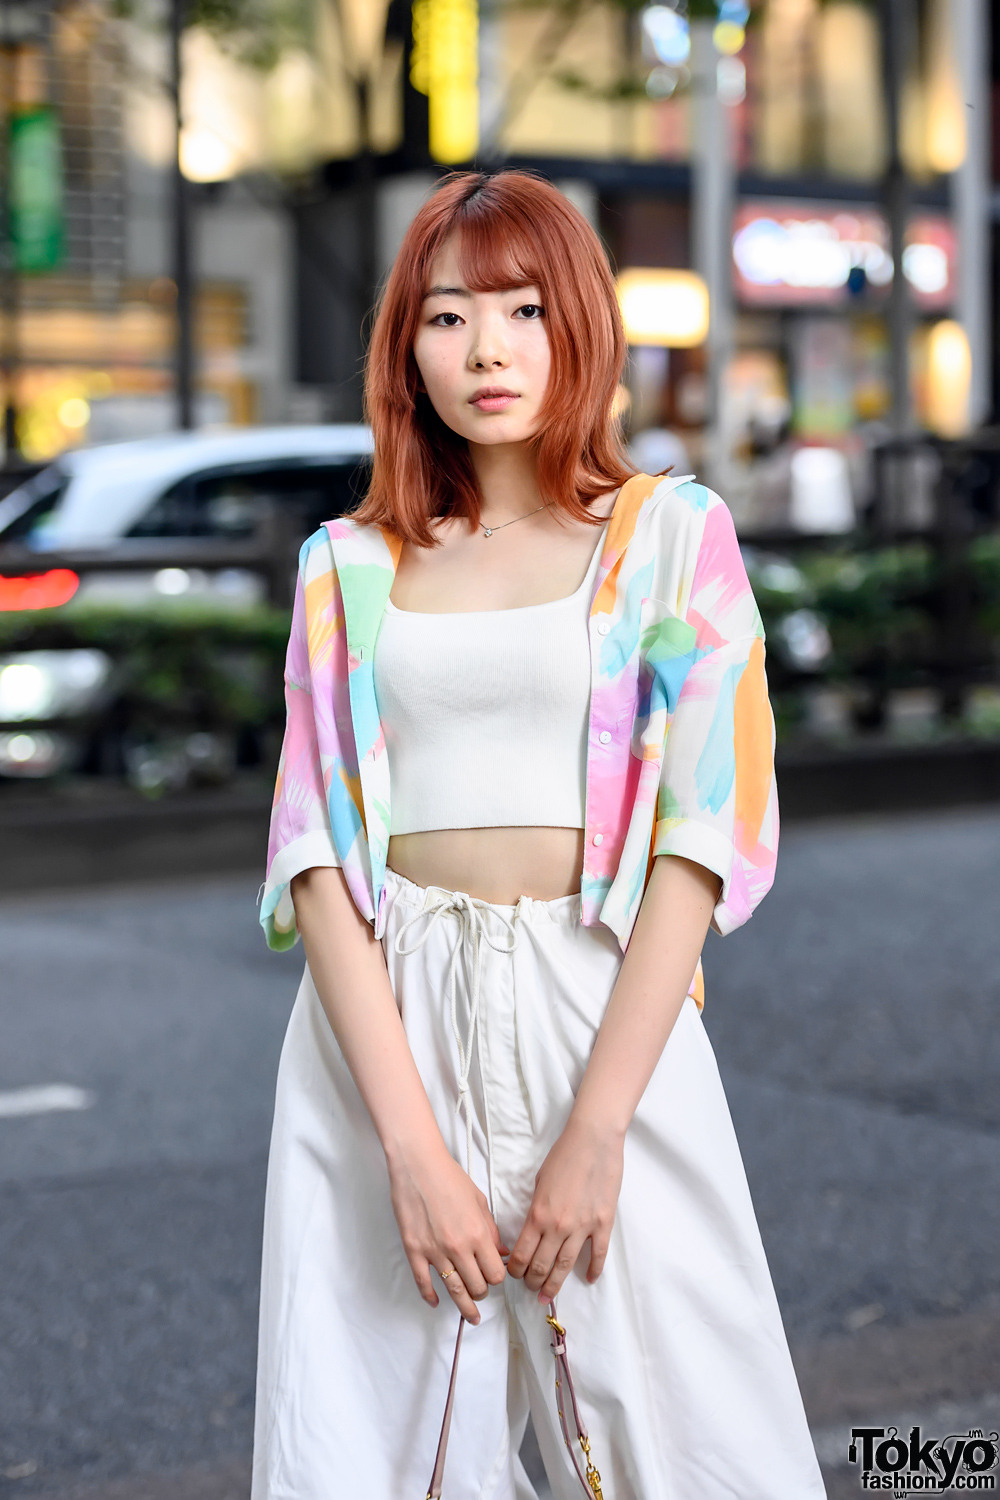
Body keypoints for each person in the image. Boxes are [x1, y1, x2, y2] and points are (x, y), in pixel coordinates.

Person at [253, 169, 827, 1500]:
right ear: (408, 348)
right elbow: (315, 856)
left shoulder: (675, 539)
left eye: (523, 308)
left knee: (696, 1444)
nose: (489, 347)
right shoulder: (346, 565)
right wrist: (408, 1148)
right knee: (369, 1461)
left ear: (579, 327)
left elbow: (702, 831)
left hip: (601, 1000)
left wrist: (597, 1130)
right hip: (388, 1033)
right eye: (448, 317)